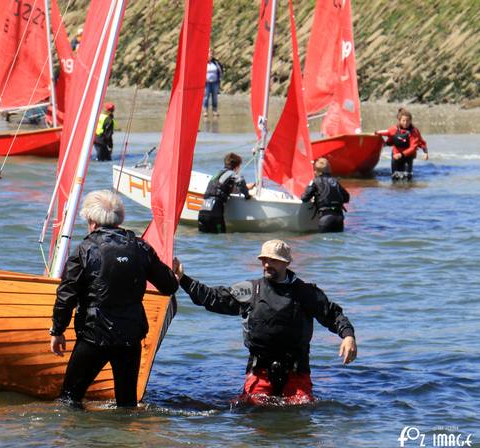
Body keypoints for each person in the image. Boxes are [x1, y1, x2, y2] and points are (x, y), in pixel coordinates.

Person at [172, 239, 357, 405]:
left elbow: (332, 314)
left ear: (286, 263)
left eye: (273, 261)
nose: (267, 264)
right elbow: (214, 298)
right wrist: (183, 279)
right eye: (264, 260)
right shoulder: (251, 289)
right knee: (254, 407)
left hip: (296, 370)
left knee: (302, 406)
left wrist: (348, 335)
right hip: (260, 369)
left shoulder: (306, 292)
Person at [50, 190, 178, 408]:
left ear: (91, 221)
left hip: (93, 336)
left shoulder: (84, 250)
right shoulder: (141, 247)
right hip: (129, 337)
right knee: (127, 404)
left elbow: (66, 295)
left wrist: (57, 330)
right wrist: (175, 273)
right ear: (120, 219)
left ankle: (74, 439)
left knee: (69, 399)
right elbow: (168, 286)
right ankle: (124, 440)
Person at [198, 152, 252, 233]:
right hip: (215, 214)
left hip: (202, 213)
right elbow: (240, 181)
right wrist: (247, 195)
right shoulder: (232, 173)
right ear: (237, 167)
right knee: (220, 237)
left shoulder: (218, 174)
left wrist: (245, 188)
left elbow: (221, 188)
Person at [375, 108, 428, 181]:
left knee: (408, 178)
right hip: (395, 155)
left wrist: (425, 152)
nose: (406, 123)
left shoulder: (414, 132)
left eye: (408, 121)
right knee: (395, 177)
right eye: (403, 120)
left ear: (410, 121)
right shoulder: (393, 129)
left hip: (408, 156)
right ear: (399, 120)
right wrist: (376, 135)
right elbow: (379, 132)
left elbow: (414, 147)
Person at [301, 157, 350, 233]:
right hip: (339, 219)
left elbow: (305, 198)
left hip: (325, 218)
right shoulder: (335, 181)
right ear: (329, 169)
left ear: (316, 171)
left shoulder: (315, 181)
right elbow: (347, 198)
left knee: (322, 243)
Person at [203, 48, 223, 118]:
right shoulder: (203, 63)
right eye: (209, 54)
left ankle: (215, 111)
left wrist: (220, 77)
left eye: (212, 54)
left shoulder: (216, 62)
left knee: (215, 97)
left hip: (215, 82)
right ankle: (205, 111)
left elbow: (220, 69)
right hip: (206, 83)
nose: (211, 56)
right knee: (206, 97)